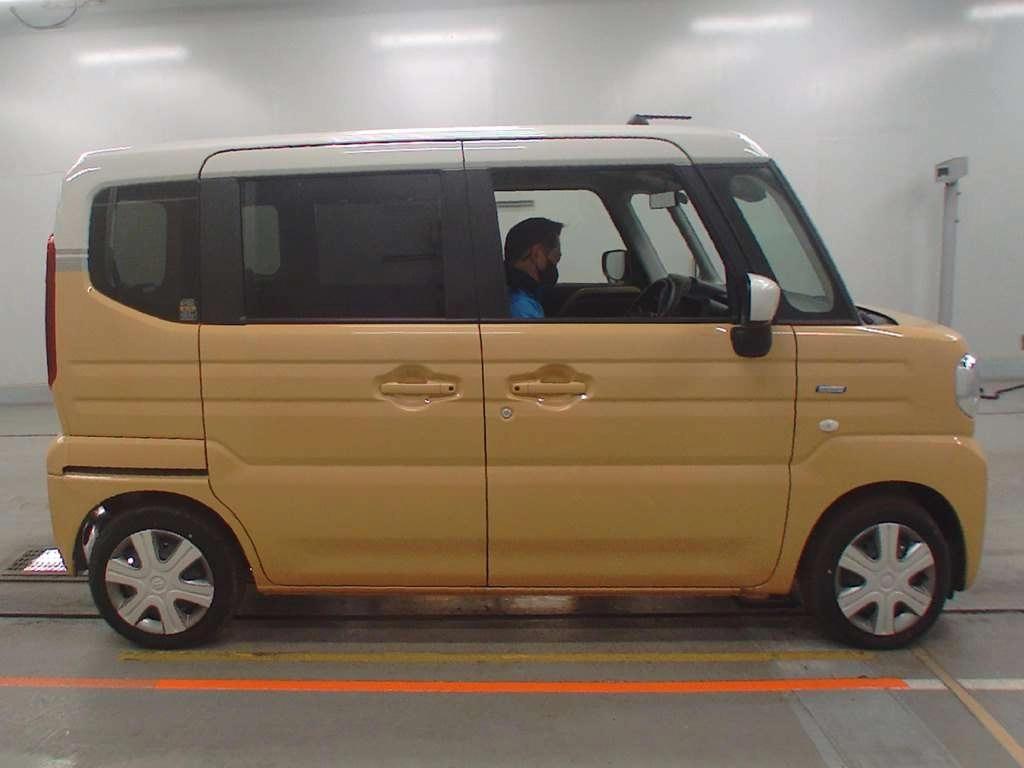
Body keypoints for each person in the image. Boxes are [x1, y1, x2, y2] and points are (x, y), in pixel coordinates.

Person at [504, 217, 564, 318]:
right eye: (555, 259)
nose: (554, 266)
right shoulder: (523, 308)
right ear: (536, 254)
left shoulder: (519, 296)